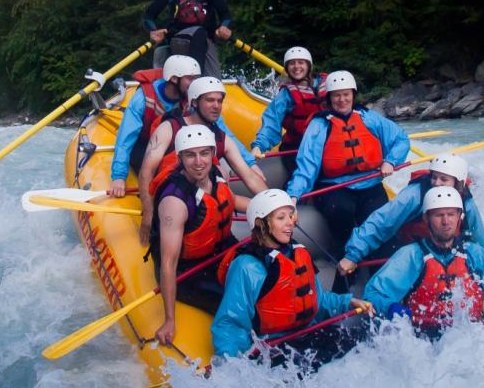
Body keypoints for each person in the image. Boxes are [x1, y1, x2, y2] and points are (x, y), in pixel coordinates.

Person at [212, 189, 372, 361]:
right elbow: (230, 323)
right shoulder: (247, 267)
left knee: (362, 345)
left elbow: (317, 301)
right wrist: (231, 366)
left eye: (290, 216)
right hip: (274, 347)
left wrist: (347, 302)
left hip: (309, 335)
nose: (290, 223)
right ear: (261, 224)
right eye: (281, 218)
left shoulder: (296, 253)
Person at [364, 187, 484, 337]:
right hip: (423, 340)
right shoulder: (411, 256)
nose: (446, 221)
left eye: (451, 214)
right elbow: (374, 294)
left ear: (460, 217)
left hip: (473, 336)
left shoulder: (475, 254)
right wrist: (390, 307)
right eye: (439, 215)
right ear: (426, 218)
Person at [284, 70, 410, 252]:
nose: (342, 99)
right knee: (342, 211)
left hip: (369, 184)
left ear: (353, 95)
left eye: (346, 94)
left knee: (379, 219)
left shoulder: (369, 117)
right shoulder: (319, 125)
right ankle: (347, 256)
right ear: (329, 98)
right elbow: (306, 166)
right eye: (336, 95)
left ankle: (379, 261)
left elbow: (401, 139)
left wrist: (390, 161)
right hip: (334, 187)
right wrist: (293, 196)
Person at [150, 124, 249, 348]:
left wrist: (269, 209)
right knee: (237, 303)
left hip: (221, 251)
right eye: (190, 155)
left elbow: (232, 201)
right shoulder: (174, 202)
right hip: (189, 271)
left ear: (213, 154)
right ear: (180, 158)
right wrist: (169, 320)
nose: (198, 162)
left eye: (204, 153)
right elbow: (168, 263)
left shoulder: (217, 174)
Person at [137, 77, 267, 237]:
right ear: (194, 102)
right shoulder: (169, 128)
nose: (216, 106)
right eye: (210, 100)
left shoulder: (221, 139)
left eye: (219, 101)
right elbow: (146, 171)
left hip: (204, 210)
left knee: (221, 173)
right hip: (173, 204)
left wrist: (275, 204)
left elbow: (249, 177)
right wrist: (148, 212)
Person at [336, 154, 484, 277]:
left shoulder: (466, 202)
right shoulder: (416, 194)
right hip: (407, 248)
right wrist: (353, 255)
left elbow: (479, 239)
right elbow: (383, 221)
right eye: (434, 177)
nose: (436, 183)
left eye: (444, 179)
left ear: (457, 183)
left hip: (443, 249)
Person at [107, 54, 200, 198]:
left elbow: (222, 130)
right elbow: (125, 140)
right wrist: (118, 177)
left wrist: (248, 163)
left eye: (196, 79)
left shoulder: (193, 97)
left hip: (175, 148)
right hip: (143, 149)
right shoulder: (142, 99)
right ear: (174, 79)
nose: (195, 84)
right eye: (190, 78)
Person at [251, 46, 326, 175]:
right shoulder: (285, 95)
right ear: (287, 68)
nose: (296, 66)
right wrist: (259, 146)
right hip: (297, 147)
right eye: (292, 63)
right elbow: (271, 122)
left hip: (325, 143)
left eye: (301, 62)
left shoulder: (328, 85)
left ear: (309, 66)